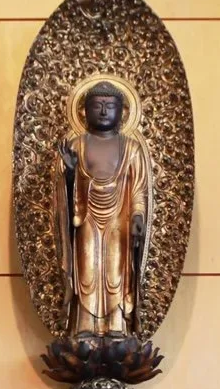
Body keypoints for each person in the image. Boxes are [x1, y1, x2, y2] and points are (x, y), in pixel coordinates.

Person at [54, 80, 150, 336]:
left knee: (115, 270)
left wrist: (138, 216)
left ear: (123, 112)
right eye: (98, 106)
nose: (105, 111)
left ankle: (116, 325)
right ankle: (84, 324)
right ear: (85, 111)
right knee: (87, 268)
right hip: (84, 217)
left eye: (110, 106)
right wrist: (71, 173)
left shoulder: (131, 148)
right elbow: (64, 191)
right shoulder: (77, 146)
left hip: (120, 220)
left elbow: (138, 188)